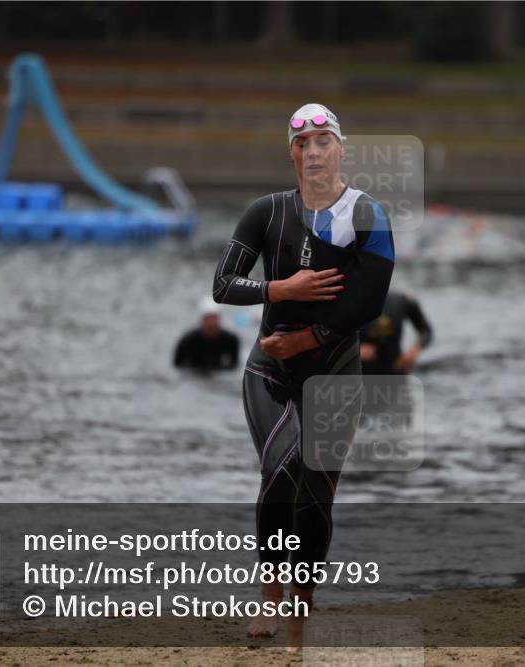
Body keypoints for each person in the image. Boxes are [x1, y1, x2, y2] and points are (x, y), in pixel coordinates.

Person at [212, 103, 394, 651]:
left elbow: (369, 301)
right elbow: (223, 284)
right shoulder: (266, 213)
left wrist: (309, 338)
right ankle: (270, 593)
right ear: (291, 154)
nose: (312, 152)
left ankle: (301, 599)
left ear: (340, 149)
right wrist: (279, 290)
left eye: (322, 142)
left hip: (336, 373)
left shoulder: (367, 213)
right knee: (281, 464)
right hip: (269, 371)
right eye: (302, 144)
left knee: (316, 494)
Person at [359, 290, 433, 375]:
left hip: (396, 369)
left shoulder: (402, 300)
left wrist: (415, 349)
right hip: (363, 374)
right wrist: (357, 350)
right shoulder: (349, 302)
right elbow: (340, 336)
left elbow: (426, 331)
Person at [173, 297, 240, 371]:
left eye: (214, 318)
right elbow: (177, 367)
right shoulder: (188, 340)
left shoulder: (231, 340)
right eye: (208, 319)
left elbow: (234, 367)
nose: (212, 323)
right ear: (201, 320)